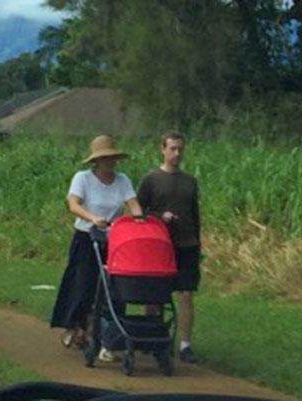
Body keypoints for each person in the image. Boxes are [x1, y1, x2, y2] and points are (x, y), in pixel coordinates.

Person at [50, 134, 143, 362]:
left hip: (113, 239)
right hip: (87, 236)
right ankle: (74, 324)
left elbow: (133, 205)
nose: (110, 162)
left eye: (113, 158)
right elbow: (73, 204)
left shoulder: (122, 181)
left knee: (113, 287)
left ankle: (107, 334)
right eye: (106, 159)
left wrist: (139, 221)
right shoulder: (82, 179)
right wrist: (93, 217)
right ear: (96, 161)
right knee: (83, 284)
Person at [137, 130, 201, 364]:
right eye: (172, 148)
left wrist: (198, 242)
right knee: (154, 295)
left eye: (180, 149)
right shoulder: (151, 179)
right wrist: (158, 215)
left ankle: (185, 345)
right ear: (162, 149)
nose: (177, 153)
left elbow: (195, 215)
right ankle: (151, 337)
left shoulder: (190, 181)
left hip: (187, 244)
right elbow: (137, 211)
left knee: (186, 294)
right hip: (159, 244)